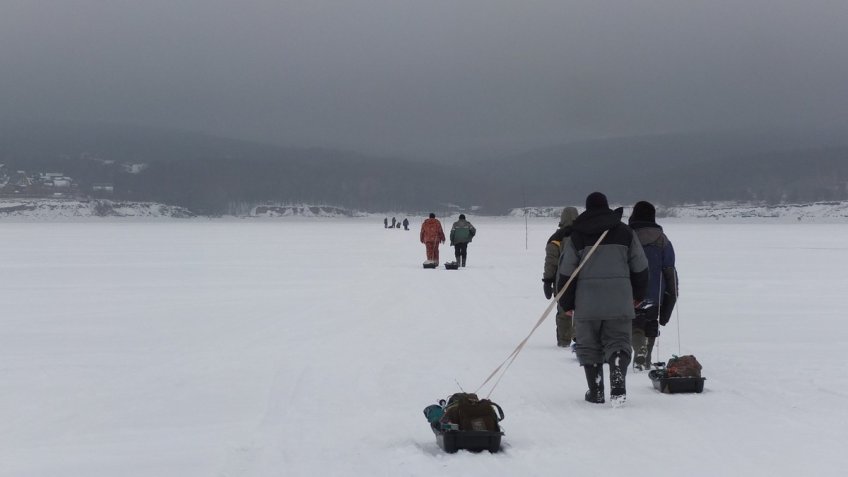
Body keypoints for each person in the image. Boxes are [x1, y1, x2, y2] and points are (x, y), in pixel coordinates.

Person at [558, 192, 648, 405]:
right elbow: (641, 267)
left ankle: (596, 390)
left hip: (586, 302)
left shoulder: (577, 236)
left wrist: (567, 303)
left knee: (589, 346)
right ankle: (618, 383)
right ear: (607, 207)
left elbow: (566, 272)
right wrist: (638, 295)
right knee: (618, 342)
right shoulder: (625, 232)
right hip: (619, 300)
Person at [628, 201, 678, 371]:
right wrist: (672, 294)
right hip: (656, 292)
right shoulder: (662, 239)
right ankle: (646, 360)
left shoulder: (628, 236)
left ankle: (639, 351)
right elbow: (669, 268)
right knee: (651, 323)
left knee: (634, 324)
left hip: (631, 289)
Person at [542, 206, 579, 348]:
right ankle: (579, 336)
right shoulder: (585, 235)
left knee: (563, 311)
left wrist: (547, 281)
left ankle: (564, 341)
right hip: (583, 280)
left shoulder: (555, 239)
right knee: (581, 309)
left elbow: (551, 262)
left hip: (562, 281)